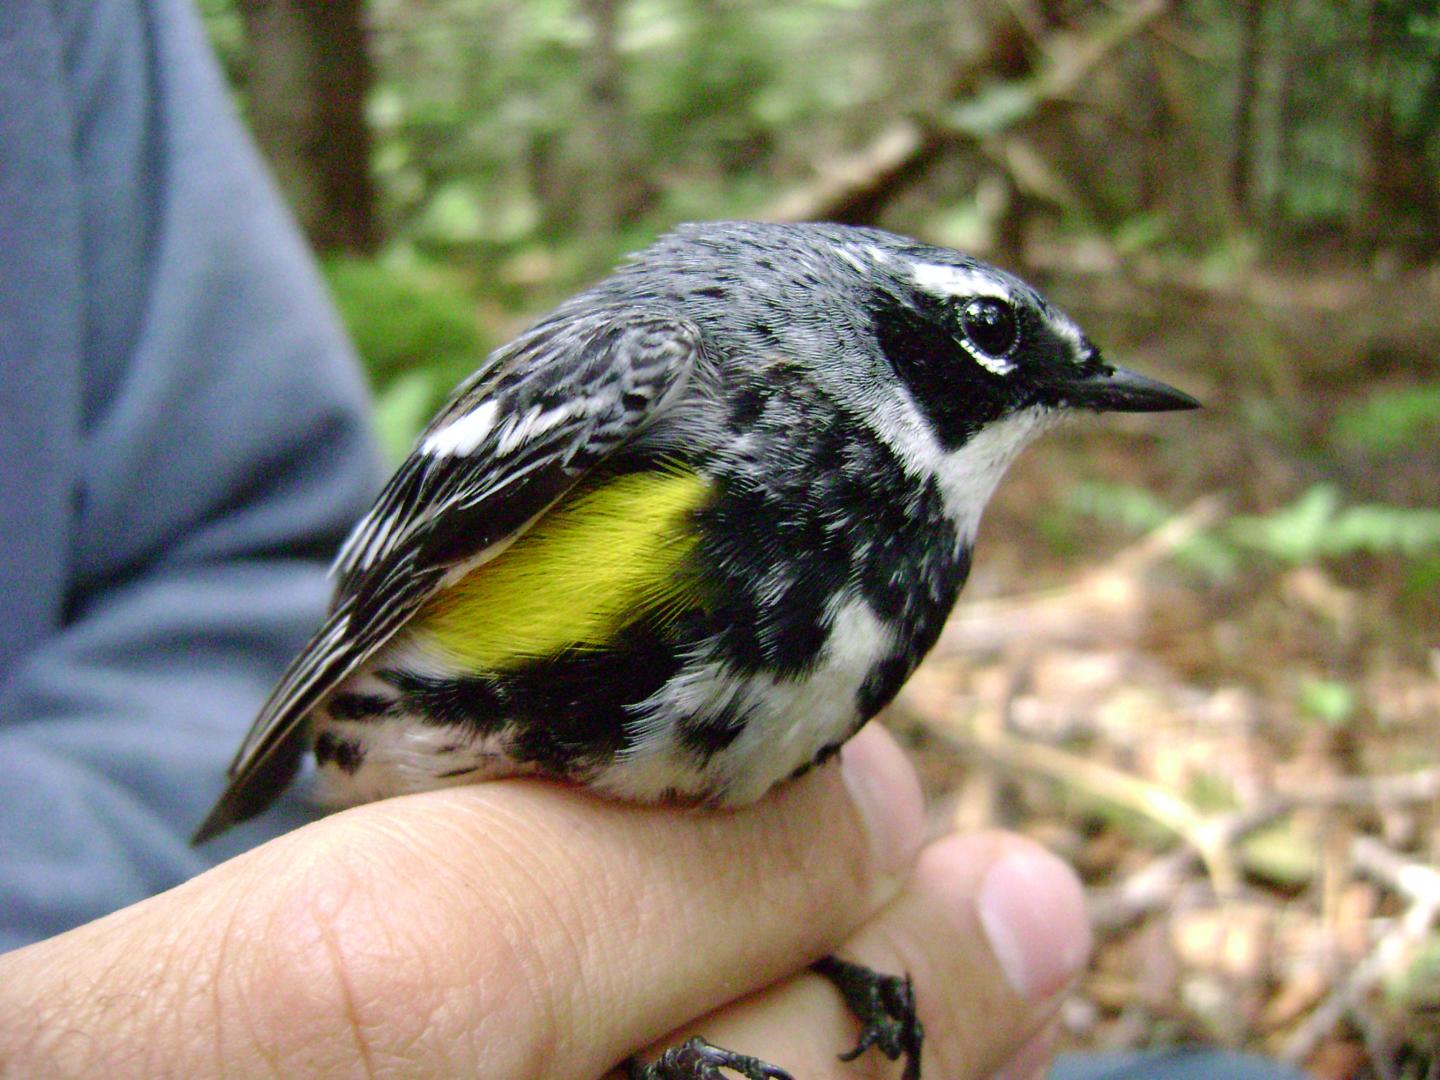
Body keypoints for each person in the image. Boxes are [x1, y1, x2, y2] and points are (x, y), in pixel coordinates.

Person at [0, 3, 1301, 1078]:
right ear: (886, 329)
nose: (1045, 387)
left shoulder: (917, 554)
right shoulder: (660, 372)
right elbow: (368, 598)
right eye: (1002, 345)